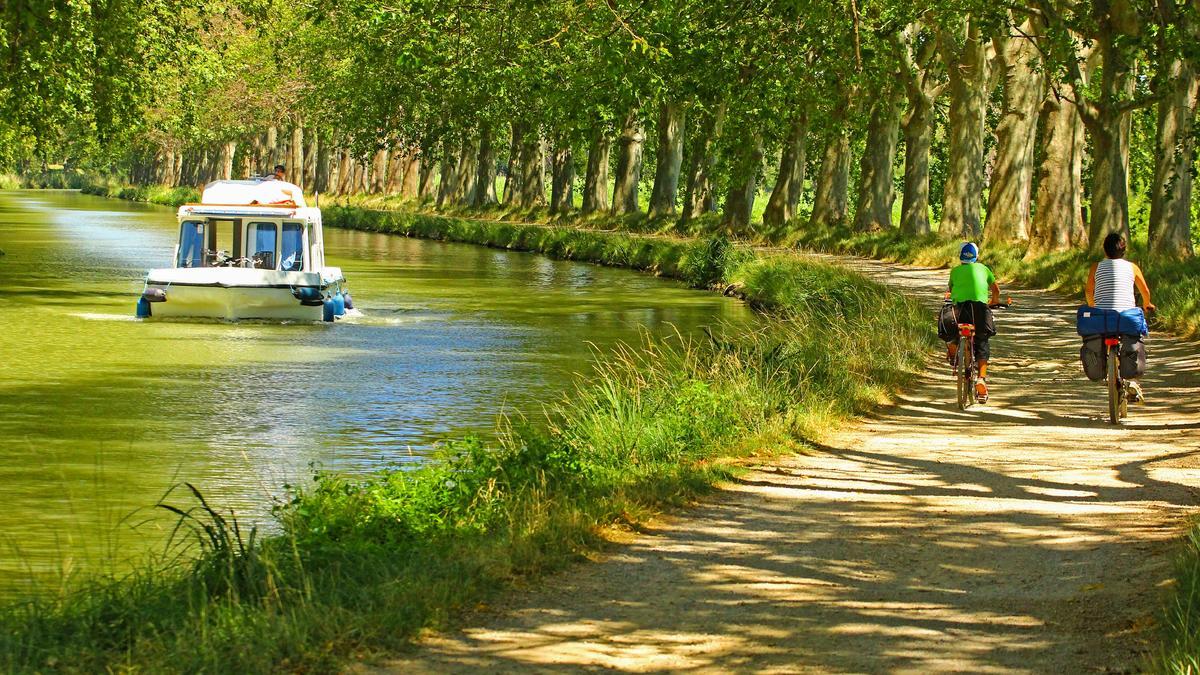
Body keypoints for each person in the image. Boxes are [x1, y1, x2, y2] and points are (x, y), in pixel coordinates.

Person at [1085, 232, 1155, 401]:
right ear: (1124, 251)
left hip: (1102, 317)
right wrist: (1147, 304)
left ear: (1104, 250)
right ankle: (1130, 378)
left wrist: (1093, 307)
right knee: (1131, 336)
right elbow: (1144, 291)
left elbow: (1088, 290)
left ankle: (1104, 367)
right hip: (1126, 317)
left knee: (1100, 336)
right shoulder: (1132, 267)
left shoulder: (1096, 267)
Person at [943, 242, 1002, 403]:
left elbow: (949, 291)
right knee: (982, 340)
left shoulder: (955, 271)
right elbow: (996, 290)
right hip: (979, 311)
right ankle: (981, 379)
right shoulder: (984, 269)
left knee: (951, 331)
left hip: (959, 311)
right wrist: (993, 302)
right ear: (977, 256)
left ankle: (953, 348)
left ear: (960, 257)